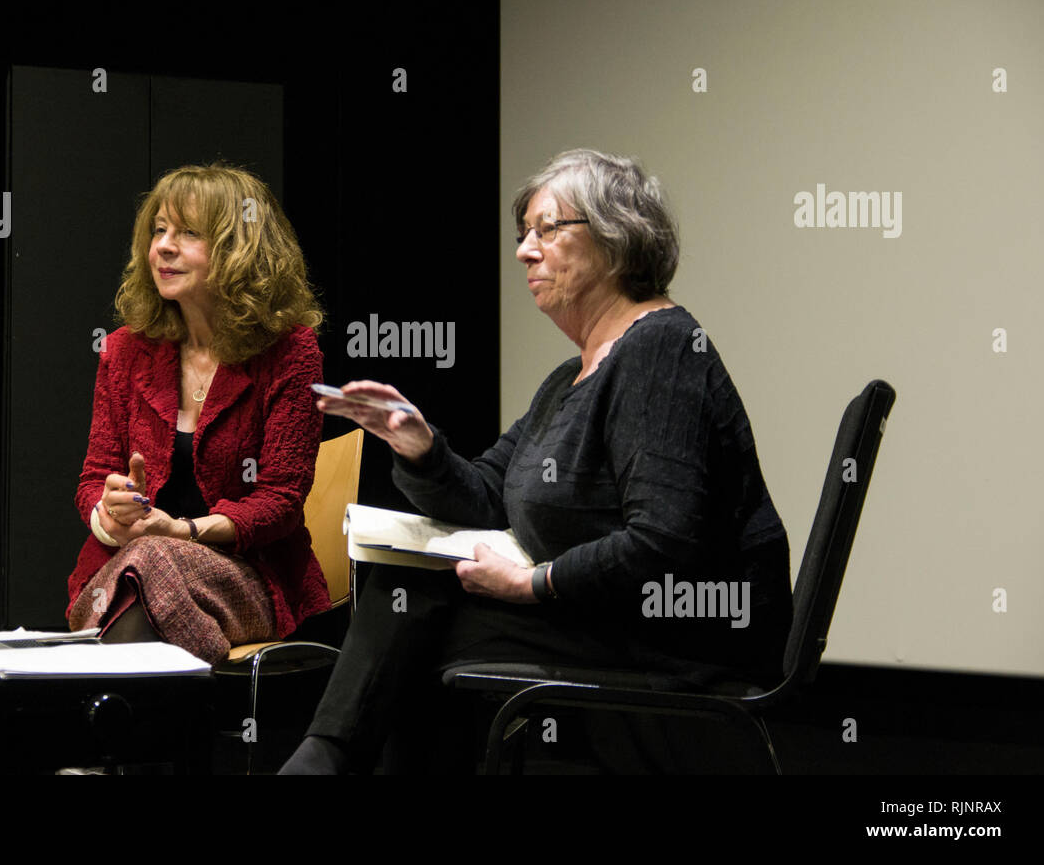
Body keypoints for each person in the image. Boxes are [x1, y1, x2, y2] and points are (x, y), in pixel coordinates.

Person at [280, 149, 793, 773]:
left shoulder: (660, 348)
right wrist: (418, 446)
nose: (525, 250)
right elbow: (490, 497)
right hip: (602, 620)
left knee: (414, 618)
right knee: (408, 598)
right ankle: (322, 762)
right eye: (523, 234)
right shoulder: (568, 379)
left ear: (616, 237)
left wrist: (532, 584)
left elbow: (664, 539)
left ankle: (319, 763)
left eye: (547, 229)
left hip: (679, 640)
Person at [65, 164, 329, 665]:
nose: (164, 245)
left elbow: (281, 501)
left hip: (246, 573)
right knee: (144, 565)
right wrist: (112, 513)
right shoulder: (124, 352)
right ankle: (188, 707)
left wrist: (181, 531)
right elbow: (95, 477)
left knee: (152, 561)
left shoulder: (290, 352)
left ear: (240, 249)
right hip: (125, 568)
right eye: (159, 230)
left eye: (188, 233)